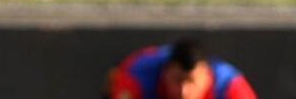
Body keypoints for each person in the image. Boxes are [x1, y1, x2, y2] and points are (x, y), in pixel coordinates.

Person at [104, 38, 257, 99]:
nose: (184, 92)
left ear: (207, 76)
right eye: (178, 81)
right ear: (165, 72)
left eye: (191, 81)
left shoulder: (230, 85)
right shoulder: (137, 73)